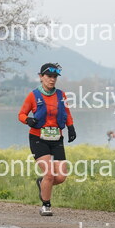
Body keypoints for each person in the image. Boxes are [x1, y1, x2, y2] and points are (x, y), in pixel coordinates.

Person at [18, 63, 76, 216]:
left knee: (61, 177)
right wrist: (28, 120)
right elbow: (21, 114)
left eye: (55, 77)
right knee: (49, 174)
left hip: (57, 139)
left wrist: (71, 127)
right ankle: (46, 206)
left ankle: (42, 182)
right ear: (41, 77)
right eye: (49, 76)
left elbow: (67, 113)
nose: (52, 79)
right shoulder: (33, 95)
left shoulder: (61, 95)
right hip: (38, 138)